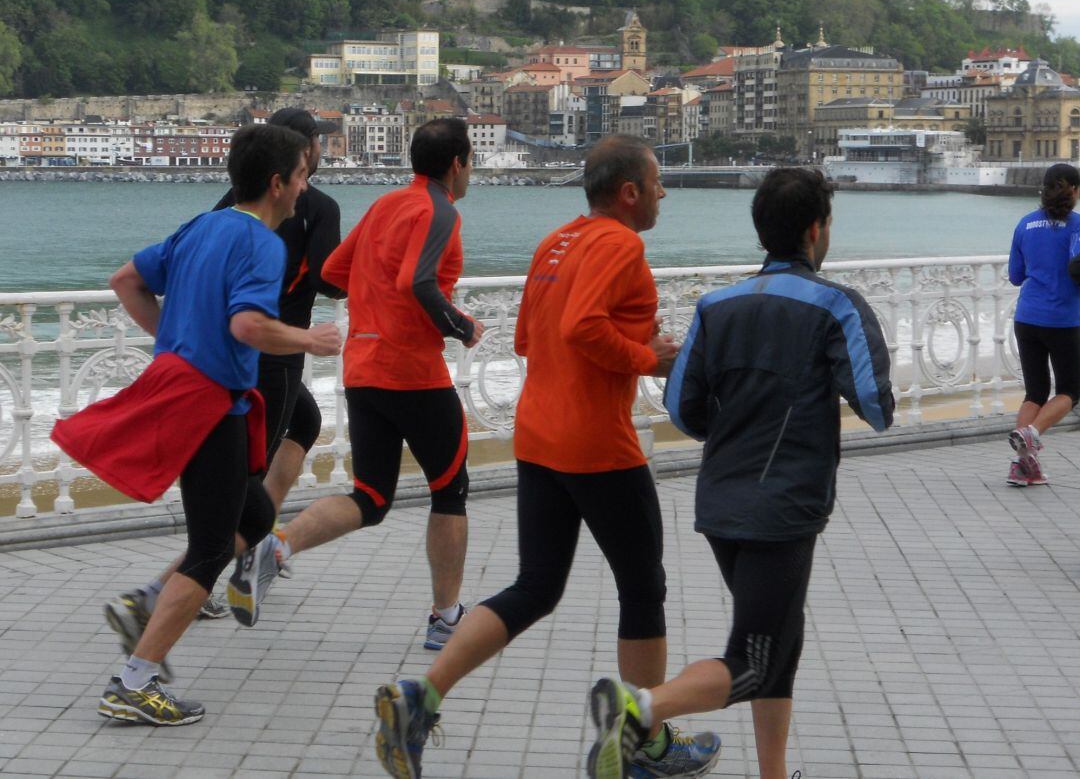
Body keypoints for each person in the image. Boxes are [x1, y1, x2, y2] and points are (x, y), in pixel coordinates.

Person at [373, 135, 720, 779]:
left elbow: (532, 339)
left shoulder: (555, 241)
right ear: (629, 193)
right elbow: (580, 329)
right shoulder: (622, 244)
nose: (665, 192)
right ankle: (645, 743)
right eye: (657, 181)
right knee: (643, 588)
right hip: (598, 445)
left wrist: (631, 334)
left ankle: (421, 696)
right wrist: (652, 356)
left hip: (537, 436)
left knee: (536, 586)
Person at [583, 168, 894, 779]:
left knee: (779, 640)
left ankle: (774, 773)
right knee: (753, 660)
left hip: (720, 503)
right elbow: (878, 408)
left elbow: (681, 408)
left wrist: (735, 435)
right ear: (815, 230)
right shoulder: (836, 306)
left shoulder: (715, 305)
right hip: (784, 509)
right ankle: (638, 709)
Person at [52, 123, 342, 725]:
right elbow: (247, 327)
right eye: (303, 174)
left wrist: (175, 341)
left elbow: (125, 281)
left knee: (256, 515)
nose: (306, 185)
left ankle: (152, 604)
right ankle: (133, 683)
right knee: (211, 548)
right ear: (277, 183)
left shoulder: (200, 225)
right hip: (208, 404)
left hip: (207, 398)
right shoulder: (266, 244)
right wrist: (308, 338)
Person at [227, 118, 483, 653]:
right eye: (470, 162)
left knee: (370, 495)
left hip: (362, 367)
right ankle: (445, 619)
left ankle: (275, 548)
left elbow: (334, 275)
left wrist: (374, 290)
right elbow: (418, 281)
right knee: (450, 490)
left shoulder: (386, 204)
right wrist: (462, 326)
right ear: (458, 163)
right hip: (413, 373)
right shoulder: (440, 210)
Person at [1006, 163, 1080, 486]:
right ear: (1074, 191)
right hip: (1063, 319)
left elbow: (1015, 276)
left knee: (1035, 390)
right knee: (1071, 390)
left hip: (1026, 318)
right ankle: (1031, 434)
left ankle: (1022, 468)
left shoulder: (1025, 224)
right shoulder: (1076, 226)